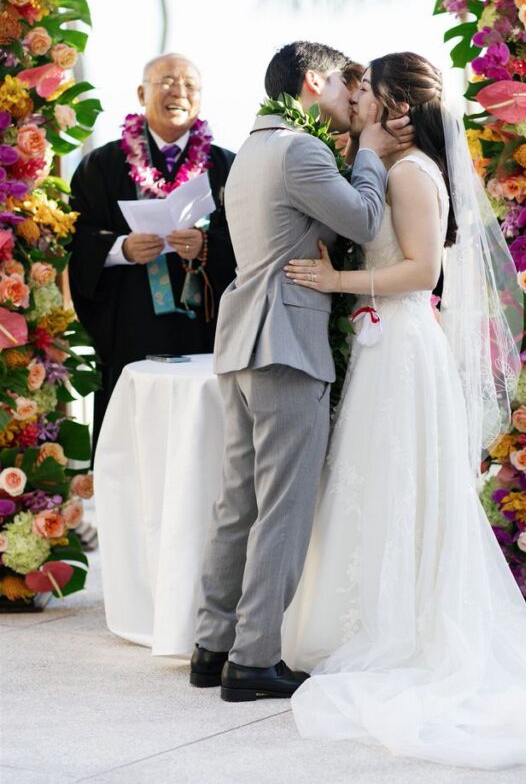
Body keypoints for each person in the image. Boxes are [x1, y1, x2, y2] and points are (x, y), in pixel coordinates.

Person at [280, 52, 526, 768]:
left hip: (399, 343)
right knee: (378, 481)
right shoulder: (391, 164)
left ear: (397, 106)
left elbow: (420, 271)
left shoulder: (408, 172)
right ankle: (363, 613)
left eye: (368, 91)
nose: (359, 101)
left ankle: (396, 625)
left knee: (397, 480)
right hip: (387, 345)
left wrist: (336, 277)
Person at [190, 41, 414, 701]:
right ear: (313, 82)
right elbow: (365, 216)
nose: (356, 102)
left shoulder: (254, 150)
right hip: (284, 341)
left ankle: (213, 645)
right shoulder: (300, 150)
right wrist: (369, 151)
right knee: (282, 506)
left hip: (243, 341)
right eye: (349, 89)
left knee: (239, 502)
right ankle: (254, 660)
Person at [69, 53, 236, 455]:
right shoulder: (101, 165)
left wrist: (207, 245)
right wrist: (120, 248)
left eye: (190, 85)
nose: (179, 91)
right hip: (132, 326)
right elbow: (76, 236)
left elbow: (251, 237)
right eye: (167, 81)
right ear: (142, 93)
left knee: (201, 448)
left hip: (205, 332)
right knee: (135, 449)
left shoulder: (226, 166)